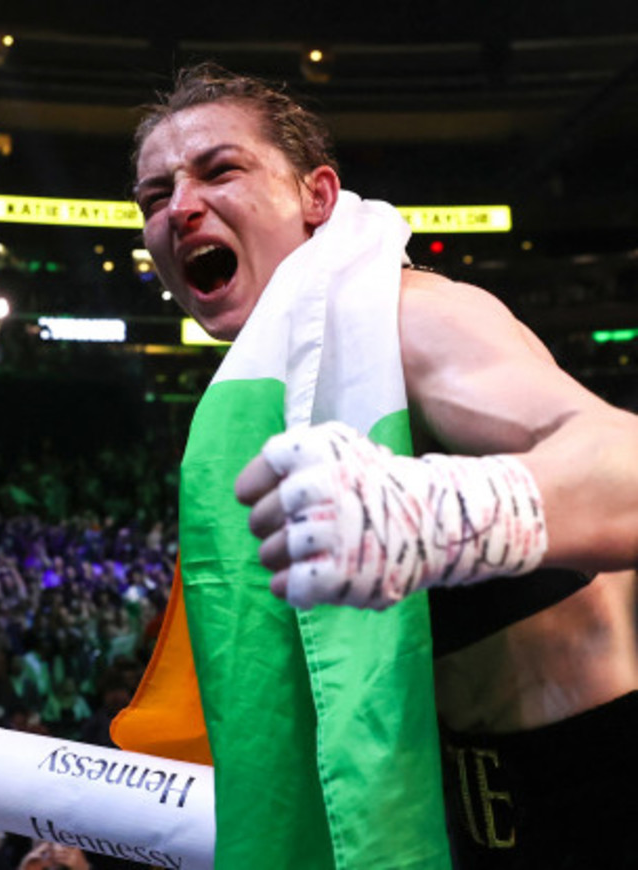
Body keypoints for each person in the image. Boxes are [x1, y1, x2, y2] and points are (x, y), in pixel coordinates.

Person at [114, 62, 638, 869]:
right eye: (155, 195)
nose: (180, 207)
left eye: (220, 171)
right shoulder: (272, 389)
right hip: (478, 812)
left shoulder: (408, 314)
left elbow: (626, 464)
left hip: (599, 796)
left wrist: (436, 511)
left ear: (318, 197)